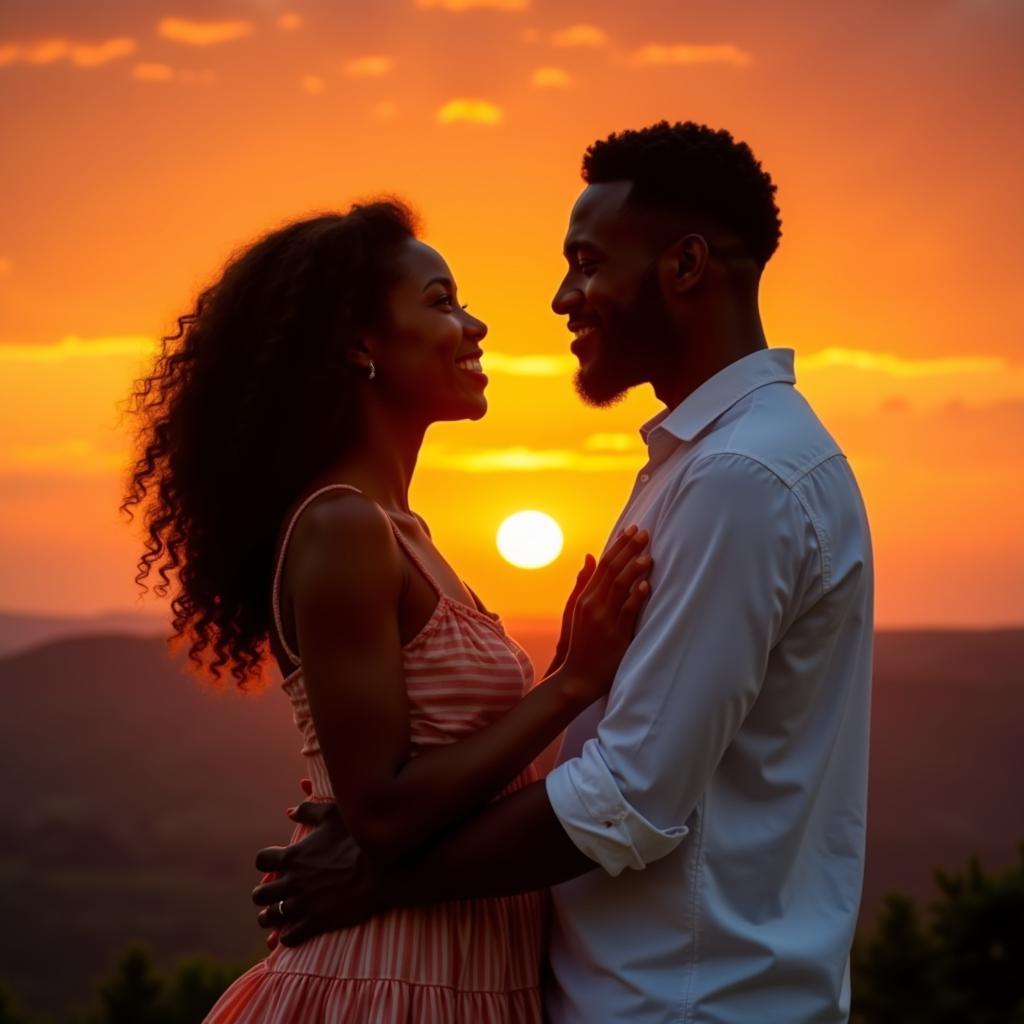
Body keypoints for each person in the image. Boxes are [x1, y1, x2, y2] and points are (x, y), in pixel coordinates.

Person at [252, 121, 875, 1023]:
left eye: (586, 262)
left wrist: (382, 874)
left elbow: (628, 795)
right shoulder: (701, 467)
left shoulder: (741, 477)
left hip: (683, 1003)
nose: (559, 297)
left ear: (686, 267)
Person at [120, 199, 655, 1022]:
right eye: (441, 302)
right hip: (388, 980)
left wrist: (561, 678)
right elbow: (381, 810)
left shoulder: (403, 533)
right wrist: (572, 685)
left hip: (466, 973)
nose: (474, 325)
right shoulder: (343, 526)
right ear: (357, 344)